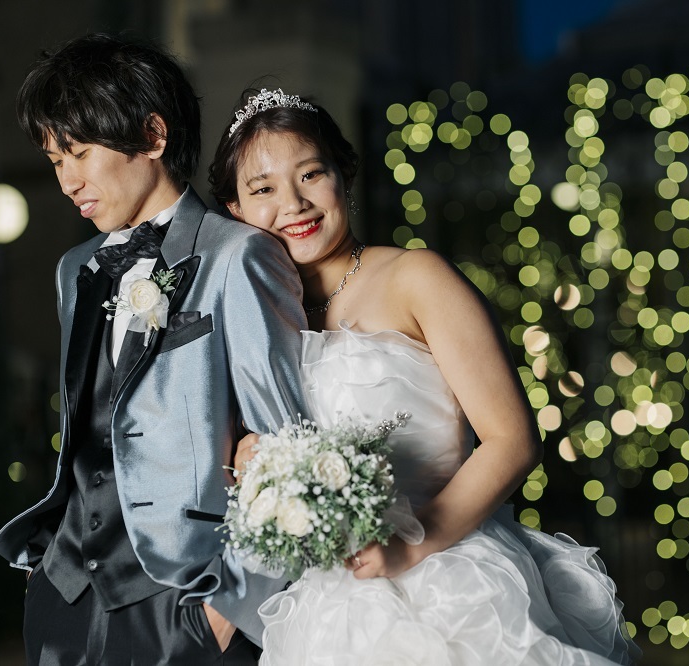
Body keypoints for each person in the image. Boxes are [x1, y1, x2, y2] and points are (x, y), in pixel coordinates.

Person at [209, 88, 641, 665]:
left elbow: (513, 440)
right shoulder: (259, 321)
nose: (293, 203)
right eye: (263, 189)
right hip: (328, 606)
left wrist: (414, 545)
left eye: (311, 174)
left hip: (451, 578)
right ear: (237, 210)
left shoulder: (417, 277)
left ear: (343, 176)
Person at [0, 37, 307, 665]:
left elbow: (291, 450)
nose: (67, 182)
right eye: (55, 161)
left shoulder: (238, 256)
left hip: (183, 601)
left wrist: (225, 614)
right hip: (64, 597)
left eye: (79, 153)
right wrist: (47, 576)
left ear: (153, 135)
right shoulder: (75, 269)